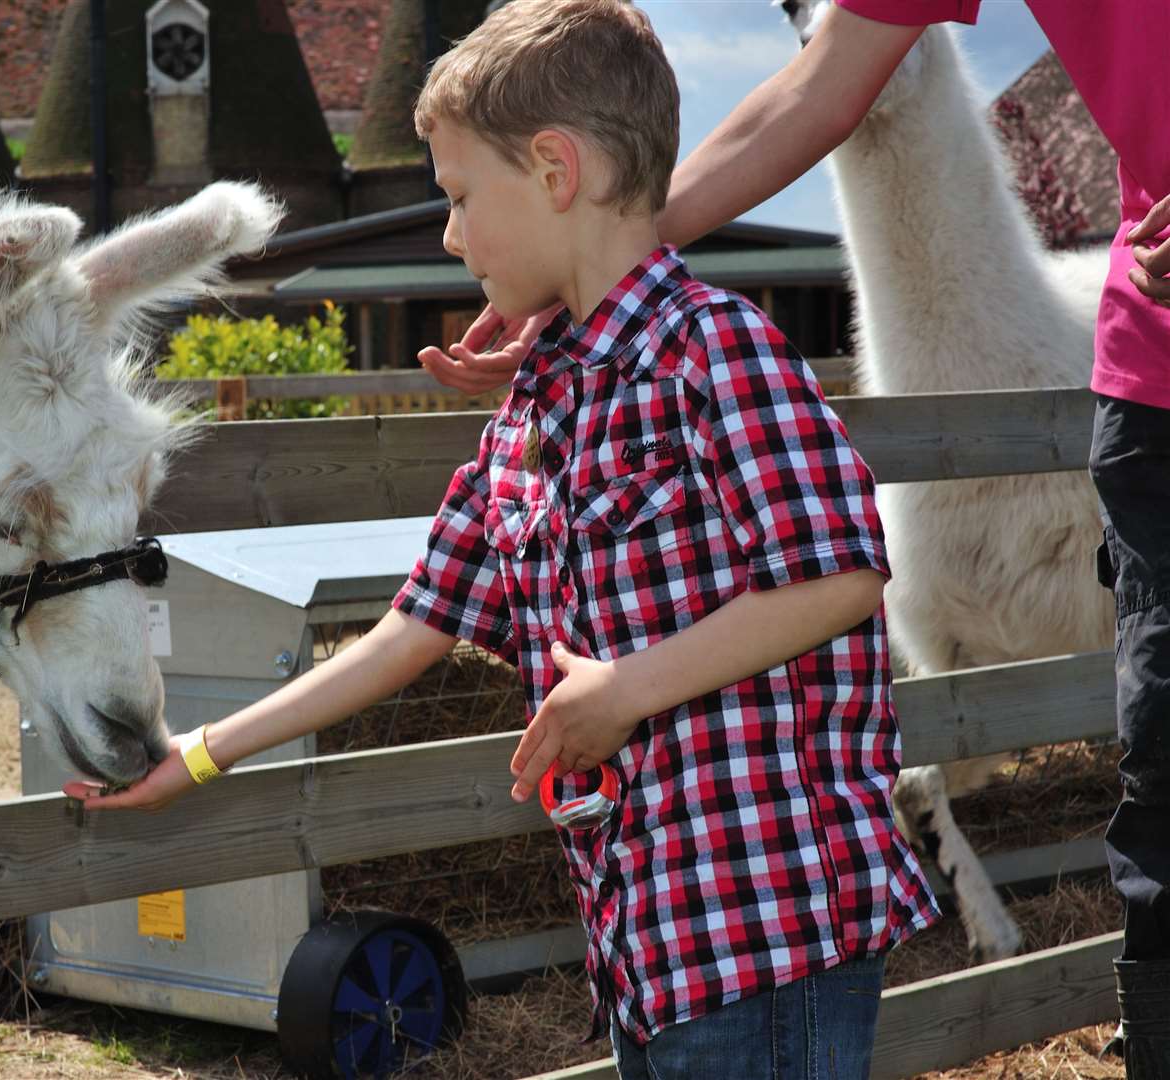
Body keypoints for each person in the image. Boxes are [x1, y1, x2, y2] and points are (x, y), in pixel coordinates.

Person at [70, 3, 939, 1075]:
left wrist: (624, 690)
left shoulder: (716, 352)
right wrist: (193, 757)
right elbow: (410, 629)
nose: (448, 234)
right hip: (645, 943)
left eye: (458, 197)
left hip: (765, 931)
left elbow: (840, 575)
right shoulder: (533, 412)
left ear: (553, 170)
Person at [418, 3, 1170, 1075]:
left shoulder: (721, 360)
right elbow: (821, 84)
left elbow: (830, 578)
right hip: (1155, 369)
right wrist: (578, 262)